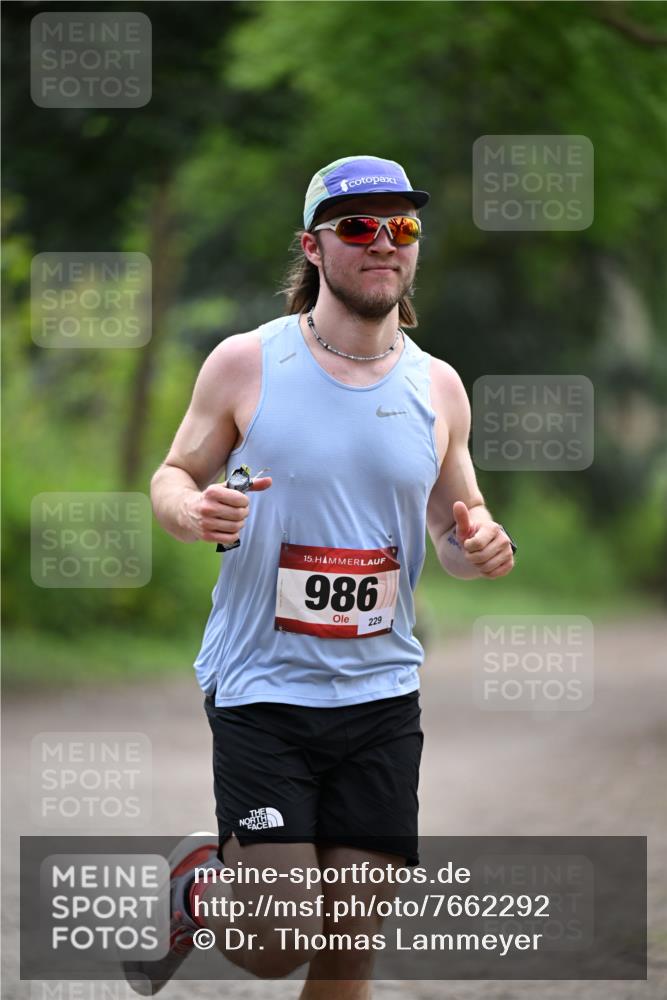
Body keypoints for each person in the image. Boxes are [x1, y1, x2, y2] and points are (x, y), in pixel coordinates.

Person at [126, 154, 516, 998]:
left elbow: (456, 523)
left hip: (379, 698)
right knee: (277, 942)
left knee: (346, 946)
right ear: (313, 246)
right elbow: (172, 475)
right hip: (263, 690)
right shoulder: (246, 363)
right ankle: (201, 886)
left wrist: (478, 543)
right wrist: (192, 512)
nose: (384, 242)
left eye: (401, 226)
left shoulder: (438, 388)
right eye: (358, 227)